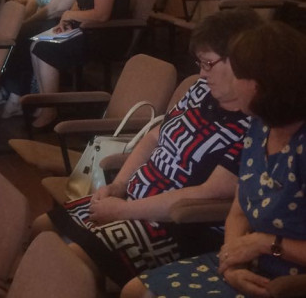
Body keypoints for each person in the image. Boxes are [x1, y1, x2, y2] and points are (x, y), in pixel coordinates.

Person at [33, 9, 261, 290]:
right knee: (42, 227)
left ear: (240, 62)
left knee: (70, 261)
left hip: (177, 224)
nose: (202, 72)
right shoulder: (201, 90)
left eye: (208, 63)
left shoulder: (254, 123)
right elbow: (154, 137)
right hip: (132, 198)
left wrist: (123, 211)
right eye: (200, 63)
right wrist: (118, 186)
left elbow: (208, 193)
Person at [124, 21, 306, 298]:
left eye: (238, 75)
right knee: (134, 291)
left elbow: (259, 239)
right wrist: (232, 262)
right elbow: (239, 211)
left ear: (261, 86)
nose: (230, 83)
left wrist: (265, 243)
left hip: (287, 280)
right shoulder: (259, 127)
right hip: (247, 259)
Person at [29, 0, 129, 129]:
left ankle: (50, 109)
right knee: (36, 43)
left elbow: (101, 14)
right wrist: (67, 20)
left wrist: (70, 15)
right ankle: (45, 102)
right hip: (84, 28)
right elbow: (79, 0)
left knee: (45, 49)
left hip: (105, 35)